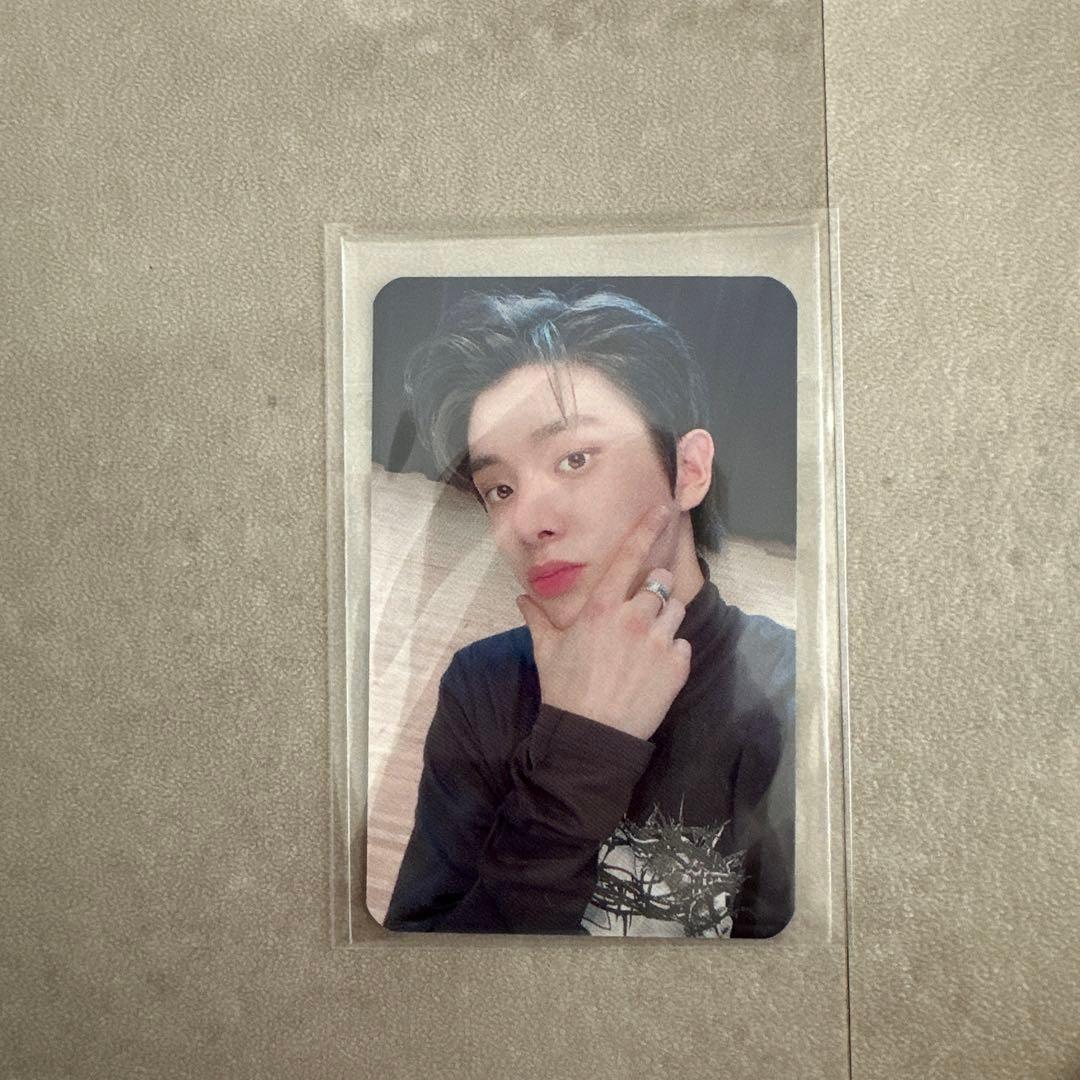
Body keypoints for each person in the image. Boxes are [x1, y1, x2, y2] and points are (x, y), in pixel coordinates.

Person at [382, 289, 794, 937]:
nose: (526, 522)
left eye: (575, 459)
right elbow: (417, 971)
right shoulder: (483, 687)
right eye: (500, 488)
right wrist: (577, 756)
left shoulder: (794, 696)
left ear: (688, 470)